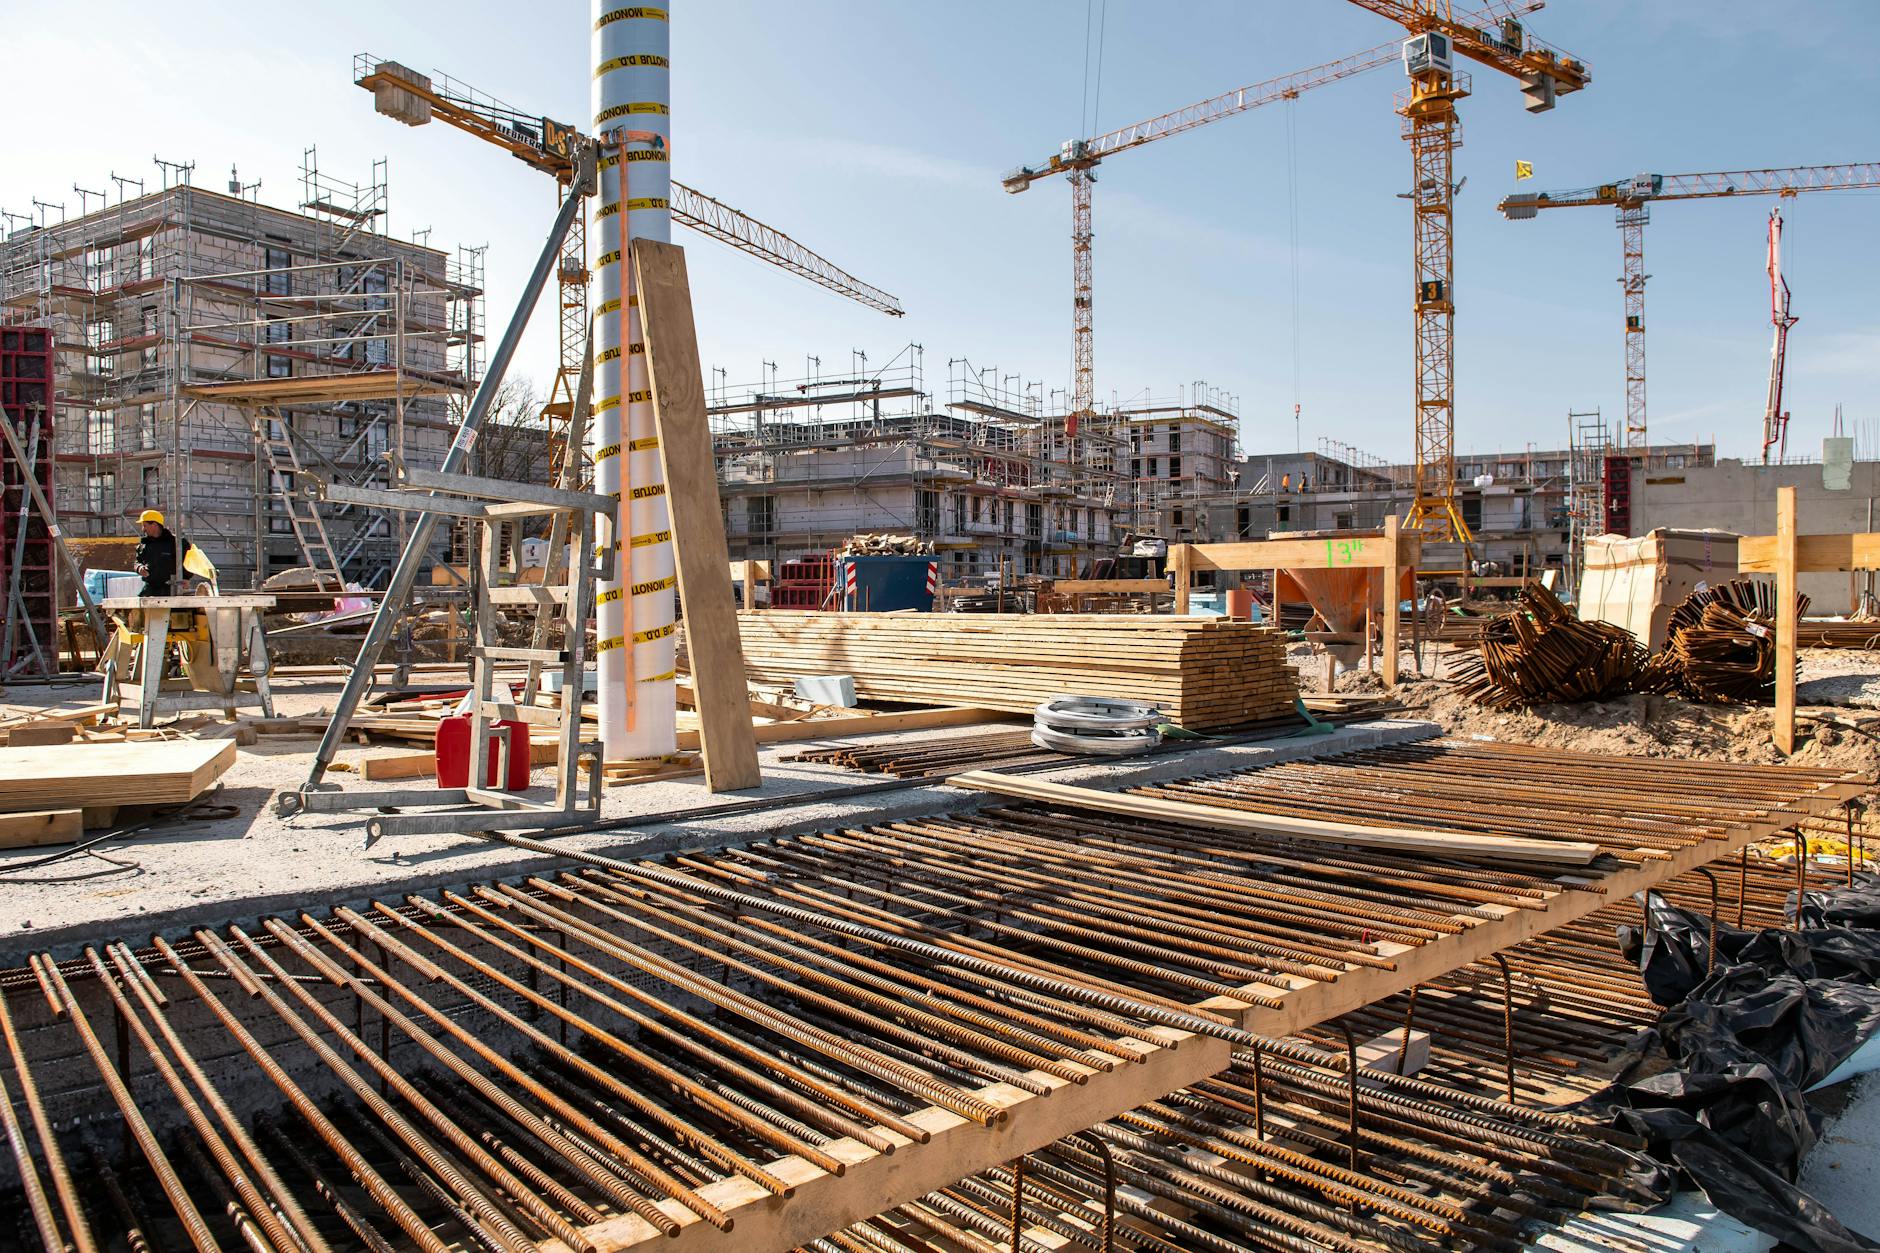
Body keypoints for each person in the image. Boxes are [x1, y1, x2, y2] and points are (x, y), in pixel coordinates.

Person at [134, 509, 200, 598]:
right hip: (151, 589)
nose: (143, 529)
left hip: (173, 588)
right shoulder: (144, 544)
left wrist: (186, 578)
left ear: (154, 525)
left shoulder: (177, 543)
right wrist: (139, 568)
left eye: (145, 525)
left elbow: (190, 561)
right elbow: (137, 562)